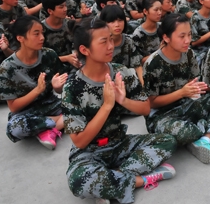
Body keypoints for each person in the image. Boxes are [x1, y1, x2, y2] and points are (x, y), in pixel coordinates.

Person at [62, 17, 177, 204]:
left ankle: (110, 181)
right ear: (84, 50)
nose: (111, 46)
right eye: (103, 41)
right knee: (77, 180)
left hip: (118, 143)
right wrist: (107, 106)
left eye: (110, 39)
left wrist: (122, 100)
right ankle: (142, 180)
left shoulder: (120, 72)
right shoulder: (72, 87)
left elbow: (146, 108)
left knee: (168, 141)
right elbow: (80, 141)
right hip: (90, 152)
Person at [143, 13, 210, 164]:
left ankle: (205, 139)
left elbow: (194, 86)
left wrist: (194, 92)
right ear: (166, 38)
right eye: (182, 36)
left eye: (189, 34)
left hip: (186, 104)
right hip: (163, 115)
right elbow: (151, 103)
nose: (188, 40)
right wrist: (181, 93)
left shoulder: (189, 54)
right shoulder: (153, 64)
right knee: (181, 132)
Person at [0, 15, 67, 148]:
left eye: (42, 33)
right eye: (36, 34)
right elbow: (13, 107)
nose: (42, 38)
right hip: (26, 112)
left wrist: (58, 87)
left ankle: (48, 128)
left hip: (51, 104)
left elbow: (60, 89)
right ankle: (61, 123)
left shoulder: (49, 54)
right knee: (16, 128)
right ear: (20, 38)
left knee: (87, 106)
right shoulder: (7, 67)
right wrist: (37, 91)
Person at [100, 5, 144, 85]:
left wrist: (143, 84)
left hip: (127, 82)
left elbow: (137, 65)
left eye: (120, 20)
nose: (117, 25)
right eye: (112, 22)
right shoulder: (99, 44)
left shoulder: (128, 41)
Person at [130, 0, 162, 68]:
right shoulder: (138, 35)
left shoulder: (163, 27)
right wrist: (160, 52)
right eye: (156, 10)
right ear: (145, 11)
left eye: (160, 9)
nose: (159, 13)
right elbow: (140, 61)